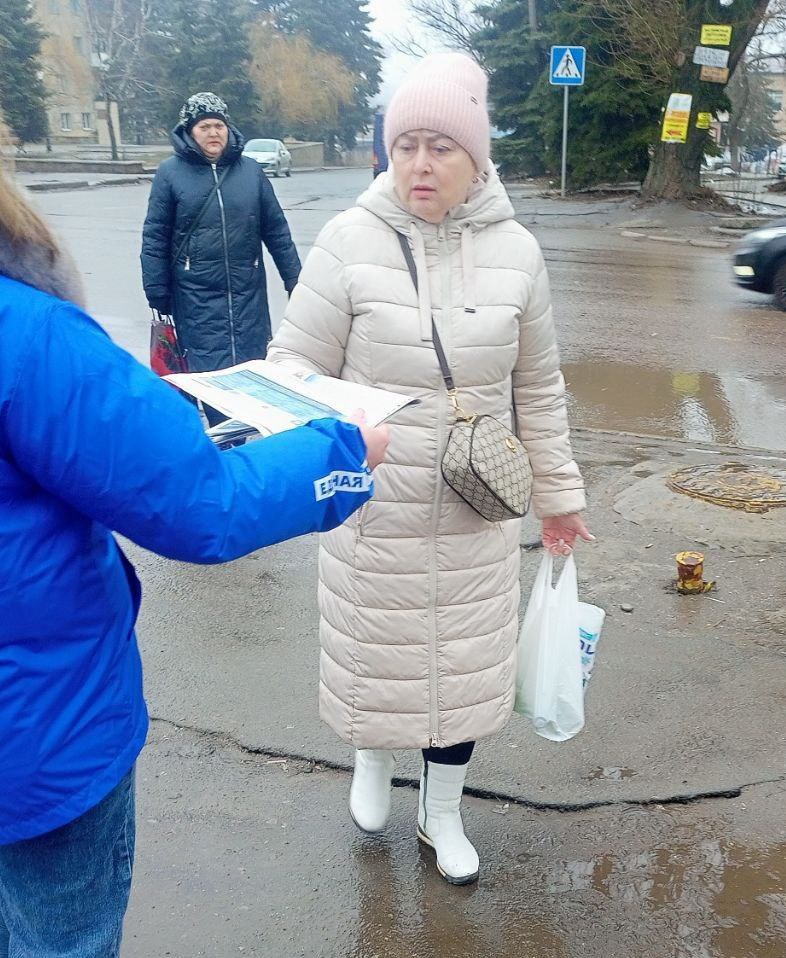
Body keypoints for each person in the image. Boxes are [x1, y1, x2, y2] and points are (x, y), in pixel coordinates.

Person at [0, 1, 388, 955]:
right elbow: (201, 502)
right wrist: (344, 451)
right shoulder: (0, 329)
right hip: (40, 735)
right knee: (61, 926)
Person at [266, 52, 593, 886]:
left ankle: (442, 812)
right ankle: (372, 763)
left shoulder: (519, 252)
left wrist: (558, 498)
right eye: (405, 142)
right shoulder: (347, 241)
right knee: (383, 656)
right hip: (375, 501)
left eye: (441, 145)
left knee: (464, 671)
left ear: (477, 156)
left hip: (478, 504)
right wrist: (322, 449)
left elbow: (539, 387)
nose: (420, 162)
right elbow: (291, 368)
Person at [141, 92, 300, 423]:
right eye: (204, 126)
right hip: (195, 297)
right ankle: (222, 443)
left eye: (219, 125)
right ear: (190, 131)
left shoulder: (251, 172)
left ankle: (246, 444)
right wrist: (156, 290)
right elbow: (155, 235)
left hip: (248, 295)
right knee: (208, 378)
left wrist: (294, 279)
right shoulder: (170, 174)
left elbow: (277, 231)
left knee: (252, 373)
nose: (213, 133)